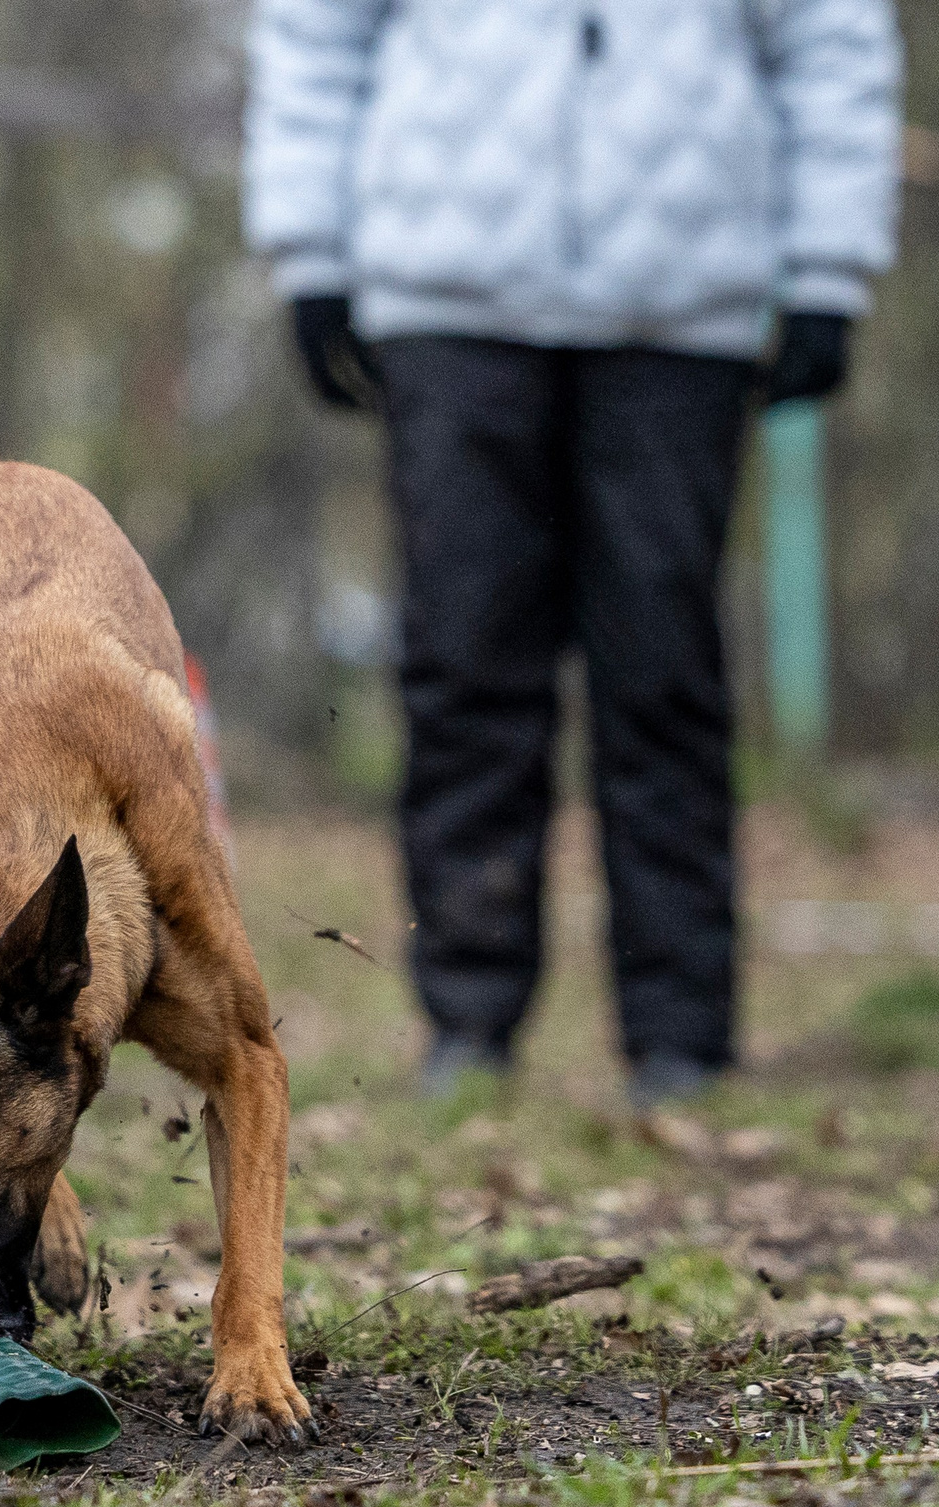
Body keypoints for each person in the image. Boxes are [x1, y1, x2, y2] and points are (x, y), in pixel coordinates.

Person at [244, 0, 902, 1105]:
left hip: (681, 304)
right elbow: (314, 29)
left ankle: (682, 1036)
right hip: (445, 291)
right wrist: (309, 251)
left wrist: (829, 270)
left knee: (664, 678)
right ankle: (466, 1027)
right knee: (462, 667)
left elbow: (831, 39)